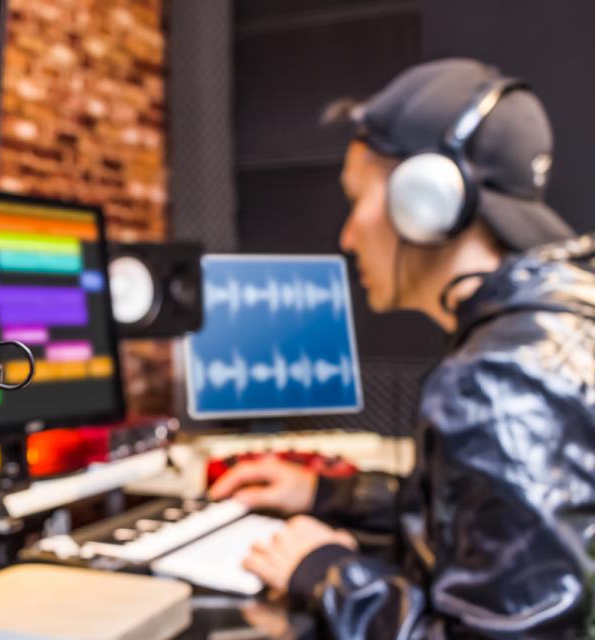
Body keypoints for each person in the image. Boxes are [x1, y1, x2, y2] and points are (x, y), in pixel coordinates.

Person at [210, 59, 595, 638]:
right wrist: (326, 492)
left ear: (426, 202)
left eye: (357, 198)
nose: (346, 235)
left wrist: (331, 574)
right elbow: (492, 528)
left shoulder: (503, 379)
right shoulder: (549, 329)